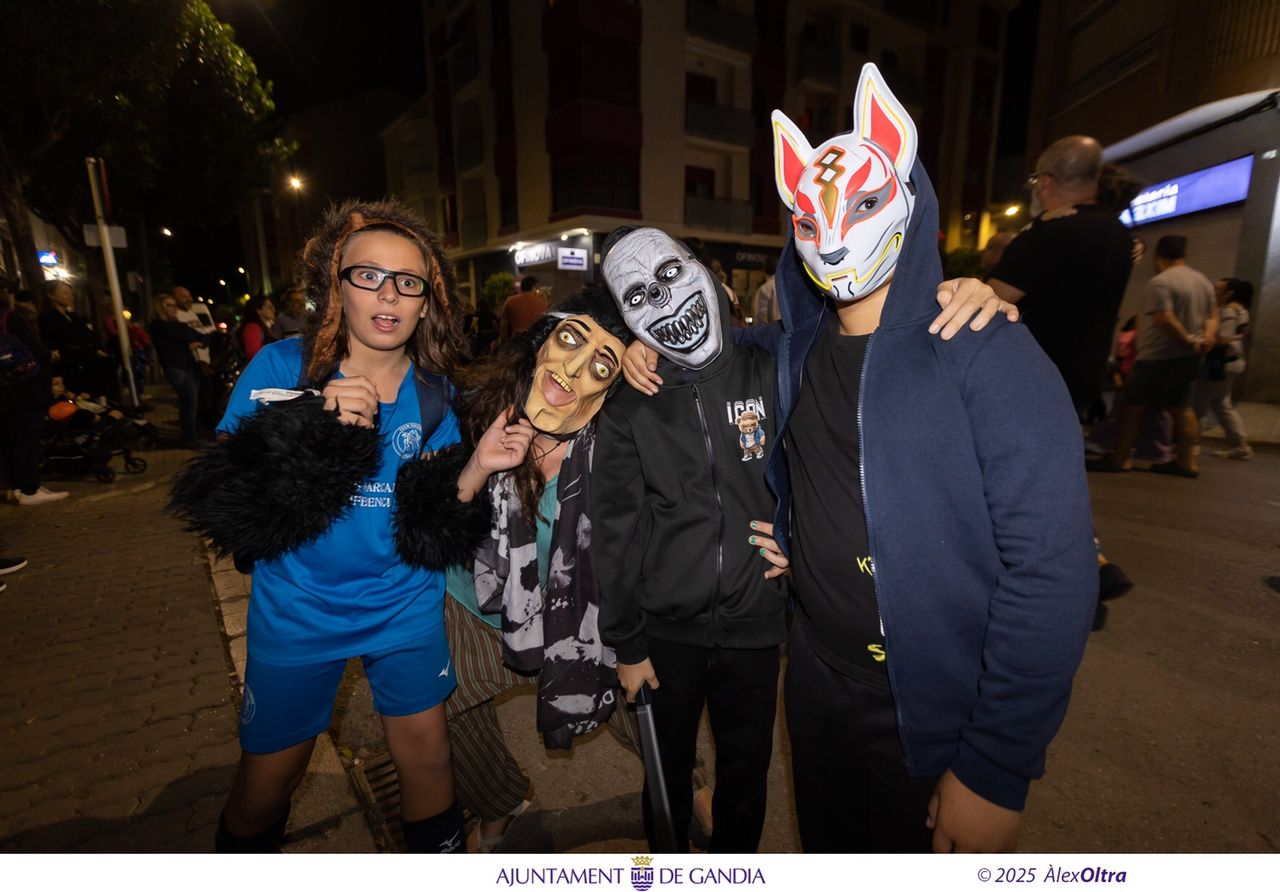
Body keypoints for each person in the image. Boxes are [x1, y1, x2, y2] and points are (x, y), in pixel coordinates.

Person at [762, 63, 1095, 854]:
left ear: (907, 197)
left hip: (935, 705)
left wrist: (995, 767)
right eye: (810, 218)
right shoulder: (790, 352)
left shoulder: (986, 350)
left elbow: (1051, 569)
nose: (835, 235)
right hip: (813, 683)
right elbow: (707, 366)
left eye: (864, 205)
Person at [172, 199, 494, 854]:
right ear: (335, 286)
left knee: (429, 761)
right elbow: (224, 507)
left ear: (427, 303)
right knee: (269, 783)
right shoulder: (280, 370)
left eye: (408, 282)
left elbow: (434, 525)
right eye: (368, 275)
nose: (388, 294)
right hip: (298, 610)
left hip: (402, 606)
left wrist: (480, 466)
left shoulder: (437, 392)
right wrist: (311, 424)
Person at [432, 286, 655, 852]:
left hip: (581, 608)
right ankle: (500, 798)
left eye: (601, 363)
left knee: (638, 694)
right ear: (540, 341)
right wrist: (479, 467)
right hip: (475, 602)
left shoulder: (622, 449)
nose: (571, 371)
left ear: (612, 386)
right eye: (569, 340)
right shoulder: (474, 408)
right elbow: (429, 522)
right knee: (441, 702)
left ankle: (684, 782)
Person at [987, 137, 1137, 608]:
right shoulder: (1118, 234)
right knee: (1052, 477)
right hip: (1083, 374)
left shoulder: (1047, 235)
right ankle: (1091, 564)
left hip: (1028, 377)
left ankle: (1070, 576)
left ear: (1046, 181)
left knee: (1019, 484)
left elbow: (989, 303)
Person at [1089, 235, 1217, 478]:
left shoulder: (1161, 282)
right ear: (1185, 254)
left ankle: (1120, 458)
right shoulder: (1203, 281)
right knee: (1182, 407)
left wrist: (1185, 339)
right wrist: (1205, 338)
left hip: (1158, 356)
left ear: (1157, 256)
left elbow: (1163, 318)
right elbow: (1213, 315)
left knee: (1133, 406)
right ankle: (1187, 462)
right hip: (1190, 357)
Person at [1, 289, 67, 505]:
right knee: (27, 439)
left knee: (13, 440)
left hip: (5, 388)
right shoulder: (11, 317)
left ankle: (19, 486)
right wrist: (51, 355)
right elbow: (35, 349)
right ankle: (30, 489)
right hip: (24, 387)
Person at [1195, 278, 1253, 460]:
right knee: (1222, 404)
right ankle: (1240, 445)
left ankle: (1190, 445)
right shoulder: (1242, 310)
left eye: (1218, 289)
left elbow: (1224, 338)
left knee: (1197, 404)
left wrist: (1202, 340)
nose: (1213, 292)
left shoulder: (1229, 310)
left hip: (1221, 363)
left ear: (1230, 293)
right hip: (1232, 362)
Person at [149, 294, 209, 445]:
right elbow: (184, 336)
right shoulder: (158, 325)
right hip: (177, 367)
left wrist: (196, 343)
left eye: (175, 305)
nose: (174, 308)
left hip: (190, 364)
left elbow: (201, 336)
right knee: (189, 401)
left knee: (193, 400)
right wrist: (189, 342)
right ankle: (190, 438)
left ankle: (192, 432)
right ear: (160, 308)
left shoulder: (179, 324)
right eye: (169, 305)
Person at [497, 276, 548, 344]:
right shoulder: (542, 301)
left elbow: (503, 325)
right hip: (535, 341)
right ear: (534, 287)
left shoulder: (510, 301)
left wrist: (504, 342)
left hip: (516, 341)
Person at [238, 295, 276, 361]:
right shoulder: (252, 328)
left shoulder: (264, 327)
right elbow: (253, 355)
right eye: (270, 307)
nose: (273, 309)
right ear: (258, 310)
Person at [751, 256, 779, 326]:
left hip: (769, 334)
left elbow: (760, 317)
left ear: (764, 269)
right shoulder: (785, 287)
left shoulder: (765, 289)